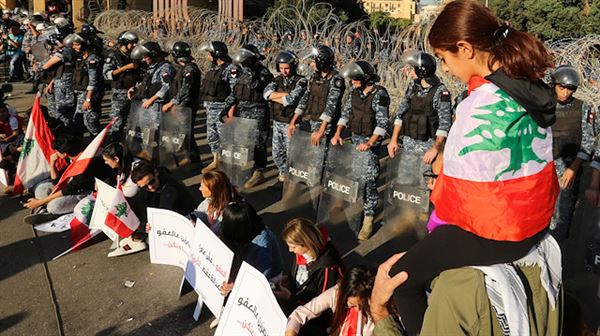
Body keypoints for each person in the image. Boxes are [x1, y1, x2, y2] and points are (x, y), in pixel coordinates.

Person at [387, 1, 559, 334]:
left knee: (401, 280)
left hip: (501, 232)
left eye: (444, 58)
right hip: (535, 221)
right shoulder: (526, 85)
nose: (446, 69)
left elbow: (459, 201)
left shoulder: (481, 104)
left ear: (465, 49)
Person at [331, 60, 390, 240]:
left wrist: (370, 143)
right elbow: (345, 114)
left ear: (365, 78)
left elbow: (382, 123)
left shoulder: (379, 94)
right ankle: (357, 209)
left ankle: (369, 217)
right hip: (355, 141)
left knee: (369, 180)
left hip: (369, 145)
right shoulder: (354, 93)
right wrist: (338, 133)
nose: (353, 82)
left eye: (356, 79)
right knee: (356, 178)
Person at [23, 134, 117, 224]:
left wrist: (40, 202)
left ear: (64, 153)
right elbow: (58, 181)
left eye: (57, 151)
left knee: (54, 206)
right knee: (41, 189)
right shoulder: (73, 157)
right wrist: (52, 165)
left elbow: (69, 189)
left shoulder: (85, 163)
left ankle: (52, 211)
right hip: (71, 186)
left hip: (86, 191)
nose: (55, 153)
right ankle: (47, 206)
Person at [548, 65, 595, 242]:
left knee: (562, 212)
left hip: (567, 167)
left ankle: (559, 250)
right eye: (562, 87)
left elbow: (588, 140)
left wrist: (573, 168)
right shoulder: (544, 104)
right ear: (554, 85)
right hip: (544, 166)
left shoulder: (582, 107)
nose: (566, 93)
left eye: (570, 89)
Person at [387, 50, 452, 172]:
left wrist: (435, 149)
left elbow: (444, 125)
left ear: (422, 71)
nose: (410, 72)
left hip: (427, 149)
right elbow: (400, 114)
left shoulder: (440, 92)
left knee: (422, 186)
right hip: (407, 147)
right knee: (405, 183)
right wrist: (393, 140)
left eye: (413, 69)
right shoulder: (413, 87)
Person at [220, 44, 274, 189]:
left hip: (258, 112)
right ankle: (236, 172)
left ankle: (258, 171)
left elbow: (257, 86)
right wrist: (225, 108)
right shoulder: (242, 72)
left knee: (259, 143)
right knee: (240, 142)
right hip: (242, 112)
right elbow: (235, 92)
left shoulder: (263, 72)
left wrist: (249, 71)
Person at [219, 201, 283, 301]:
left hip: (269, 281)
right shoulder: (248, 229)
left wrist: (235, 286)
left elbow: (262, 280)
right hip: (245, 265)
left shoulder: (262, 245)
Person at [285, 265, 376, 336]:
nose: (358, 309)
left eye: (362, 304)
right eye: (351, 304)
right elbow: (298, 315)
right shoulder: (335, 293)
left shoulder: (376, 308)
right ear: (342, 292)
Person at [275, 218, 344, 309]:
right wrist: (289, 278)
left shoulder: (327, 268)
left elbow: (323, 305)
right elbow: (298, 272)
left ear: (306, 243)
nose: (290, 250)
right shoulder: (302, 253)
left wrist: (290, 298)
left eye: (293, 247)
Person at [264, 50, 308, 182]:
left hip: (291, 123)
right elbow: (266, 94)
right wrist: (284, 95)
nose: (284, 71)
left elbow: (291, 100)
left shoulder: (301, 81)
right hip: (277, 122)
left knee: (292, 155)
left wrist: (275, 96)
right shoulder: (277, 80)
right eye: (281, 68)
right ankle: (283, 176)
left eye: (287, 68)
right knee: (277, 154)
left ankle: (292, 180)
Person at [288, 45, 345, 147]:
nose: (311, 65)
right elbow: (305, 99)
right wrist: (293, 121)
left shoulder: (335, 80)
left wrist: (321, 131)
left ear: (321, 62)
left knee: (322, 158)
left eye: (314, 62)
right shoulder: (315, 77)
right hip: (313, 121)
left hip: (327, 126)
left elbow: (331, 107)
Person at [198, 41, 239, 174]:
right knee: (212, 136)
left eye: (209, 53)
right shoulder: (213, 68)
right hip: (211, 109)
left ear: (216, 54)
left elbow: (235, 92)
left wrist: (230, 111)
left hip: (223, 110)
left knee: (225, 138)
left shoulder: (231, 69)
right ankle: (216, 160)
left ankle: (228, 165)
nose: (208, 56)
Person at [162, 41, 202, 163]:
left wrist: (172, 103)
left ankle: (193, 159)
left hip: (187, 105)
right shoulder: (182, 68)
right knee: (182, 132)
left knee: (186, 133)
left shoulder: (190, 69)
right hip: (181, 105)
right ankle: (189, 156)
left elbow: (186, 89)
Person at [128, 41, 175, 133]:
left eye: (146, 57)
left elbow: (166, 87)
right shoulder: (151, 67)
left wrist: (151, 100)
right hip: (146, 104)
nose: (144, 59)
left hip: (156, 106)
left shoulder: (165, 67)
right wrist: (134, 88)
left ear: (153, 55)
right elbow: (147, 83)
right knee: (145, 133)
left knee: (156, 132)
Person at [103, 31, 140, 142]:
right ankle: (114, 144)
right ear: (124, 43)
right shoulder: (113, 56)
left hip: (135, 92)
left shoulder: (135, 55)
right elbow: (107, 74)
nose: (134, 45)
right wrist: (126, 67)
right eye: (132, 43)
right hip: (120, 94)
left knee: (136, 123)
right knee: (117, 123)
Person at [130, 159, 196, 218]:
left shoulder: (170, 187)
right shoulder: (145, 191)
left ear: (156, 173)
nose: (150, 187)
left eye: (152, 181)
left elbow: (163, 212)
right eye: (144, 187)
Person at [68, 32, 103, 136]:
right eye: (74, 44)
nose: (74, 47)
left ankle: (98, 142)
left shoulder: (92, 59)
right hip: (81, 93)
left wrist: (88, 99)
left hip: (90, 94)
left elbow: (93, 80)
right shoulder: (81, 57)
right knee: (78, 120)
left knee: (90, 121)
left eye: (77, 44)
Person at [188, 170, 238, 236]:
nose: (200, 189)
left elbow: (216, 232)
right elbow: (197, 214)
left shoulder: (232, 211)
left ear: (213, 189)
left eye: (202, 186)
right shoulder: (207, 202)